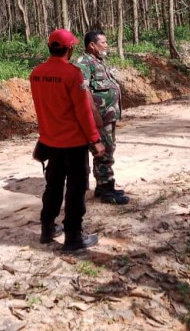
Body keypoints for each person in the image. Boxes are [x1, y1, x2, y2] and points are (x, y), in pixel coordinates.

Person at [30, 29, 106, 252]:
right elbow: (83, 112)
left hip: (50, 142)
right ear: (70, 48)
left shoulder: (36, 73)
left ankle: (47, 228)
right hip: (73, 144)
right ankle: (73, 236)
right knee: (76, 188)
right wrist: (95, 140)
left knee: (53, 186)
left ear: (49, 47)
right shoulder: (72, 74)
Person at [75, 30, 130, 205]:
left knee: (108, 149)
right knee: (103, 151)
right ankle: (107, 190)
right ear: (92, 45)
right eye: (103, 42)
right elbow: (83, 92)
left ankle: (103, 185)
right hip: (98, 118)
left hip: (108, 116)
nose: (106, 46)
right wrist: (94, 117)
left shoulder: (99, 61)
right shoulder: (84, 63)